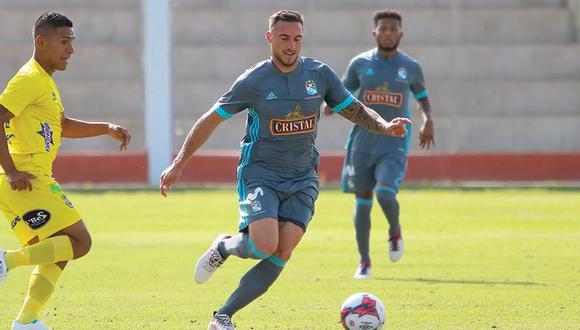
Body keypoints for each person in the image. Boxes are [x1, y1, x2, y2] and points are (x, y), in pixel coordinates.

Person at [159, 10, 411, 330]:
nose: (291, 45)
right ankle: (224, 246)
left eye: (297, 39)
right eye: (284, 38)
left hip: (303, 177)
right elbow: (210, 119)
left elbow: (352, 109)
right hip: (260, 173)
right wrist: (179, 163)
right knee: (262, 245)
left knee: (283, 249)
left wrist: (384, 126)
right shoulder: (254, 81)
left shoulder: (319, 74)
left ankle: (223, 317)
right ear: (270, 39)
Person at [0, 12, 131, 330]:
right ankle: (5, 260)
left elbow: (61, 124)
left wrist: (105, 128)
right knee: (80, 242)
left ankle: (27, 322)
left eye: (72, 41)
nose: (71, 49)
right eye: (64, 41)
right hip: (25, 179)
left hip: (28, 179)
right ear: (41, 42)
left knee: (56, 252)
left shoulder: (44, 81)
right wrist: (12, 169)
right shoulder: (29, 79)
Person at [324, 9, 434, 280]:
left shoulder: (410, 67)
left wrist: (427, 119)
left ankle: (394, 230)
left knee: (384, 193)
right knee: (362, 202)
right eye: (382, 29)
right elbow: (342, 91)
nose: (387, 33)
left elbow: (421, 96)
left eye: (392, 29)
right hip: (362, 142)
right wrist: (329, 106)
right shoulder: (360, 64)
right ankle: (364, 262)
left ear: (400, 33)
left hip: (394, 142)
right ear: (374, 33)